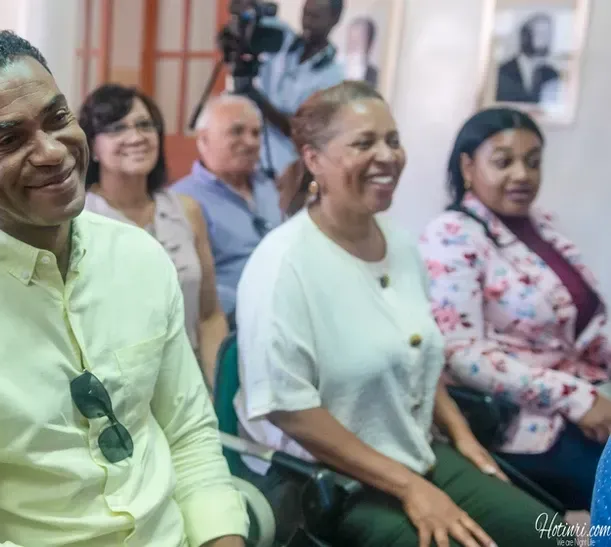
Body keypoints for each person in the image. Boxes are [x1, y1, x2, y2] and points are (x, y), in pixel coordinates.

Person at [0, 30, 247, 547]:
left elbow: (188, 434)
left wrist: (222, 537)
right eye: (7, 139)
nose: (51, 152)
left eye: (57, 119)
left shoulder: (139, 258)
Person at [235, 81, 570, 546]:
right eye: (364, 143)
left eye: (392, 140)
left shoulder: (402, 244)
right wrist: (411, 488)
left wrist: (463, 437)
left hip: (416, 450)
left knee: (556, 535)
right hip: (327, 478)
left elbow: (418, 356)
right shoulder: (282, 264)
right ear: (314, 159)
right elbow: (289, 411)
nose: (387, 155)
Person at [419, 107, 609, 512]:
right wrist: (576, 398)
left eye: (533, 162)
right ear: (468, 167)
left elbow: (584, 327)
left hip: (589, 397)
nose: (522, 174)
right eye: (504, 162)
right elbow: (461, 352)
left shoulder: (543, 228)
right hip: (526, 424)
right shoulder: (452, 235)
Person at [78, 83, 228, 386]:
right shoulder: (77, 218)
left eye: (145, 125)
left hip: (187, 386)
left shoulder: (187, 210)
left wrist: (213, 391)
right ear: (92, 146)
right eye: (117, 128)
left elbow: (210, 315)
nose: (136, 137)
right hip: (110, 390)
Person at [172, 95, 282, 319]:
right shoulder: (181, 200)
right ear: (203, 140)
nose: (251, 142)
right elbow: (189, 285)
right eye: (237, 131)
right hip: (231, 322)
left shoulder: (271, 187)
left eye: (256, 133)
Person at [220, 0, 345, 178]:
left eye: (316, 16)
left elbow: (301, 131)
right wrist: (246, 9)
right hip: (241, 154)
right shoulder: (280, 37)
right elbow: (238, 21)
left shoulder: (333, 76)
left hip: (282, 171)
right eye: (305, 14)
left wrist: (256, 98)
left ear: (335, 19)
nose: (307, 22)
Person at [496, 12, 561, 104]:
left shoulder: (551, 74)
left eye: (548, 34)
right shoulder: (503, 71)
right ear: (526, 36)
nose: (545, 40)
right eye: (541, 34)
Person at [342, 17, 379, 89]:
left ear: (369, 44)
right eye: (350, 40)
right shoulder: (337, 69)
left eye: (357, 41)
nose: (352, 46)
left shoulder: (373, 75)